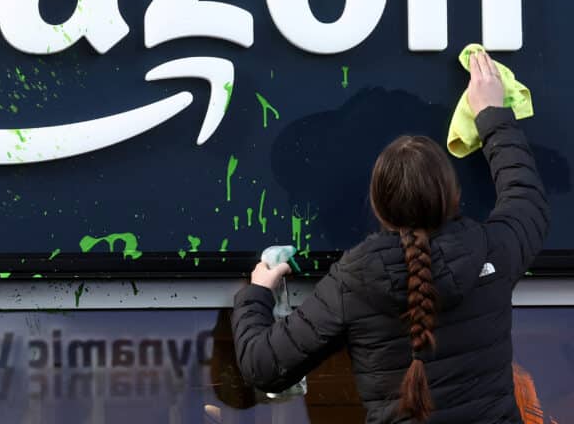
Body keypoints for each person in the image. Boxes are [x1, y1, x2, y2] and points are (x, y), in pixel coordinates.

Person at [231, 51, 550, 423]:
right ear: (454, 195)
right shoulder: (493, 250)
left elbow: (262, 366)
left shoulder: (352, 281)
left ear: (377, 206)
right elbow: (525, 196)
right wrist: (492, 115)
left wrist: (257, 294)